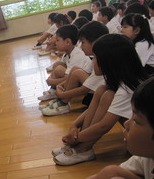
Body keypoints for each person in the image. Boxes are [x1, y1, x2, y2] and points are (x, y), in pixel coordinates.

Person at [52, 34, 148, 166]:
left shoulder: (127, 88)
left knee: (107, 95)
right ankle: (83, 146)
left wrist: (75, 137)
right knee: (102, 90)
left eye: (95, 58)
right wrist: (74, 125)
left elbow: (104, 126)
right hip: (136, 131)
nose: (92, 61)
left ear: (109, 62)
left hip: (146, 142)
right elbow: (92, 109)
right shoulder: (117, 80)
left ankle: (83, 148)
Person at [87, 76, 154, 179]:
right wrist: (114, 171)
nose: (126, 124)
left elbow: (103, 126)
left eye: (136, 120)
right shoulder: (147, 157)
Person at [40, 21, 108, 116]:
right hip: (94, 89)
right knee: (74, 69)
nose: (81, 46)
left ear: (95, 42)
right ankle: (60, 100)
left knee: (76, 73)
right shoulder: (94, 57)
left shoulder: (100, 59)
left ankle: (63, 103)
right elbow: (86, 75)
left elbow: (84, 88)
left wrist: (62, 93)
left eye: (83, 42)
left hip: (101, 94)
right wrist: (60, 86)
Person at [37, 25, 91, 104]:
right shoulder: (68, 53)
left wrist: (51, 81)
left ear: (68, 42)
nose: (55, 43)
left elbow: (68, 79)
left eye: (58, 40)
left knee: (59, 68)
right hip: (75, 80)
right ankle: (53, 91)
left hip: (83, 83)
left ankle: (60, 96)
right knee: (58, 64)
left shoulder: (77, 55)